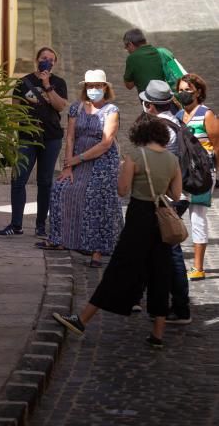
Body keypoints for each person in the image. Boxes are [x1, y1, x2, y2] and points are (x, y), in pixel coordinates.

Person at [53, 114, 182, 350]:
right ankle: (157, 334)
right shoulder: (172, 160)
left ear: (139, 135)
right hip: (161, 218)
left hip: (139, 217)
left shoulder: (135, 156)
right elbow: (175, 194)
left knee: (118, 269)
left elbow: (122, 190)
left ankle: (82, 320)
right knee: (160, 272)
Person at [43, 70, 122, 266]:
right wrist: (68, 165)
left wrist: (79, 159)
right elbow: (70, 137)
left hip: (102, 161)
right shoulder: (76, 109)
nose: (93, 89)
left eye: (97, 85)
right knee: (60, 189)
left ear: (105, 87)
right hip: (77, 159)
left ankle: (97, 249)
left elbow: (106, 143)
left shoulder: (112, 111)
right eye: (90, 85)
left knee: (95, 195)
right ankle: (63, 239)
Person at [0, 46, 68, 238]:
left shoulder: (59, 83)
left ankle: (41, 225)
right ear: (37, 60)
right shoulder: (23, 82)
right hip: (26, 138)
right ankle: (16, 224)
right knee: (18, 180)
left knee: (45, 182)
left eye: (51, 59)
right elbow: (14, 111)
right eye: (44, 58)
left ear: (55, 63)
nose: (47, 61)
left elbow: (60, 106)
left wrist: (47, 84)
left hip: (51, 138)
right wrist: (10, 137)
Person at [139, 80, 191, 324]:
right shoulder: (177, 121)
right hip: (177, 195)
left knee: (171, 253)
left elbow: (154, 164)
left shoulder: (161, 130)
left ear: (150, 105)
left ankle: (180, 308)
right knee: (161, 251)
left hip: (165, 197)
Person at [175, 73, 219, 281]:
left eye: (188, 90)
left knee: (198, 217)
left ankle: (198, 267)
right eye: (181, 90)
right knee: (173, 212)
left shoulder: (207, 115)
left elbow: (217, 147)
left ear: (198, 92)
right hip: (182, 174)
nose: (183, 94)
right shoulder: (178, 116)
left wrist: (217, 176)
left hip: (202, 175)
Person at [123, 28, 166, 94]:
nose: (127, 50)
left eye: (126, 46)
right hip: (165, 96)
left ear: (130, 44)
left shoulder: (132, 58)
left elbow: (129, 86)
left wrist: (137, 74)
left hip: (148, 100)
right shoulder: (158, 52)